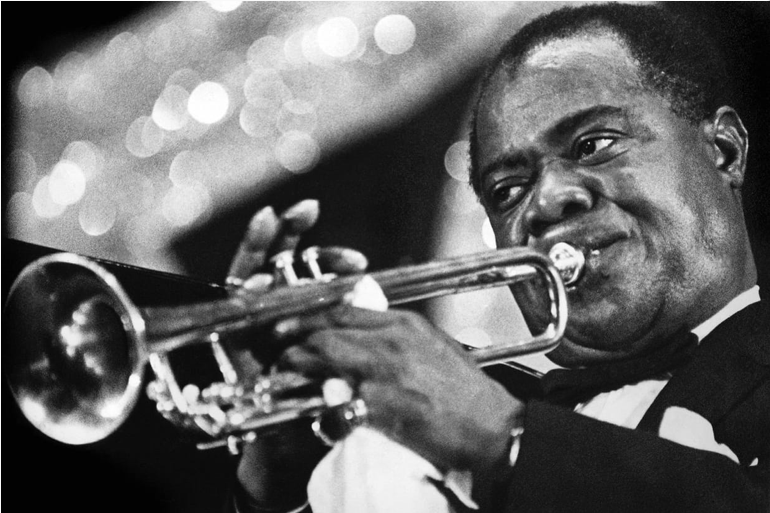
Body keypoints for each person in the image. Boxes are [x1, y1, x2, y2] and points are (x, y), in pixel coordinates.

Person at [225, 4, 769, 512]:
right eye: (508, 191)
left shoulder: (487, 423)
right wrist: (280, 482)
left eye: (593, 144)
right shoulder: (464, 417)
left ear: (724, 150)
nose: (546, 201)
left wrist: (507, 442)